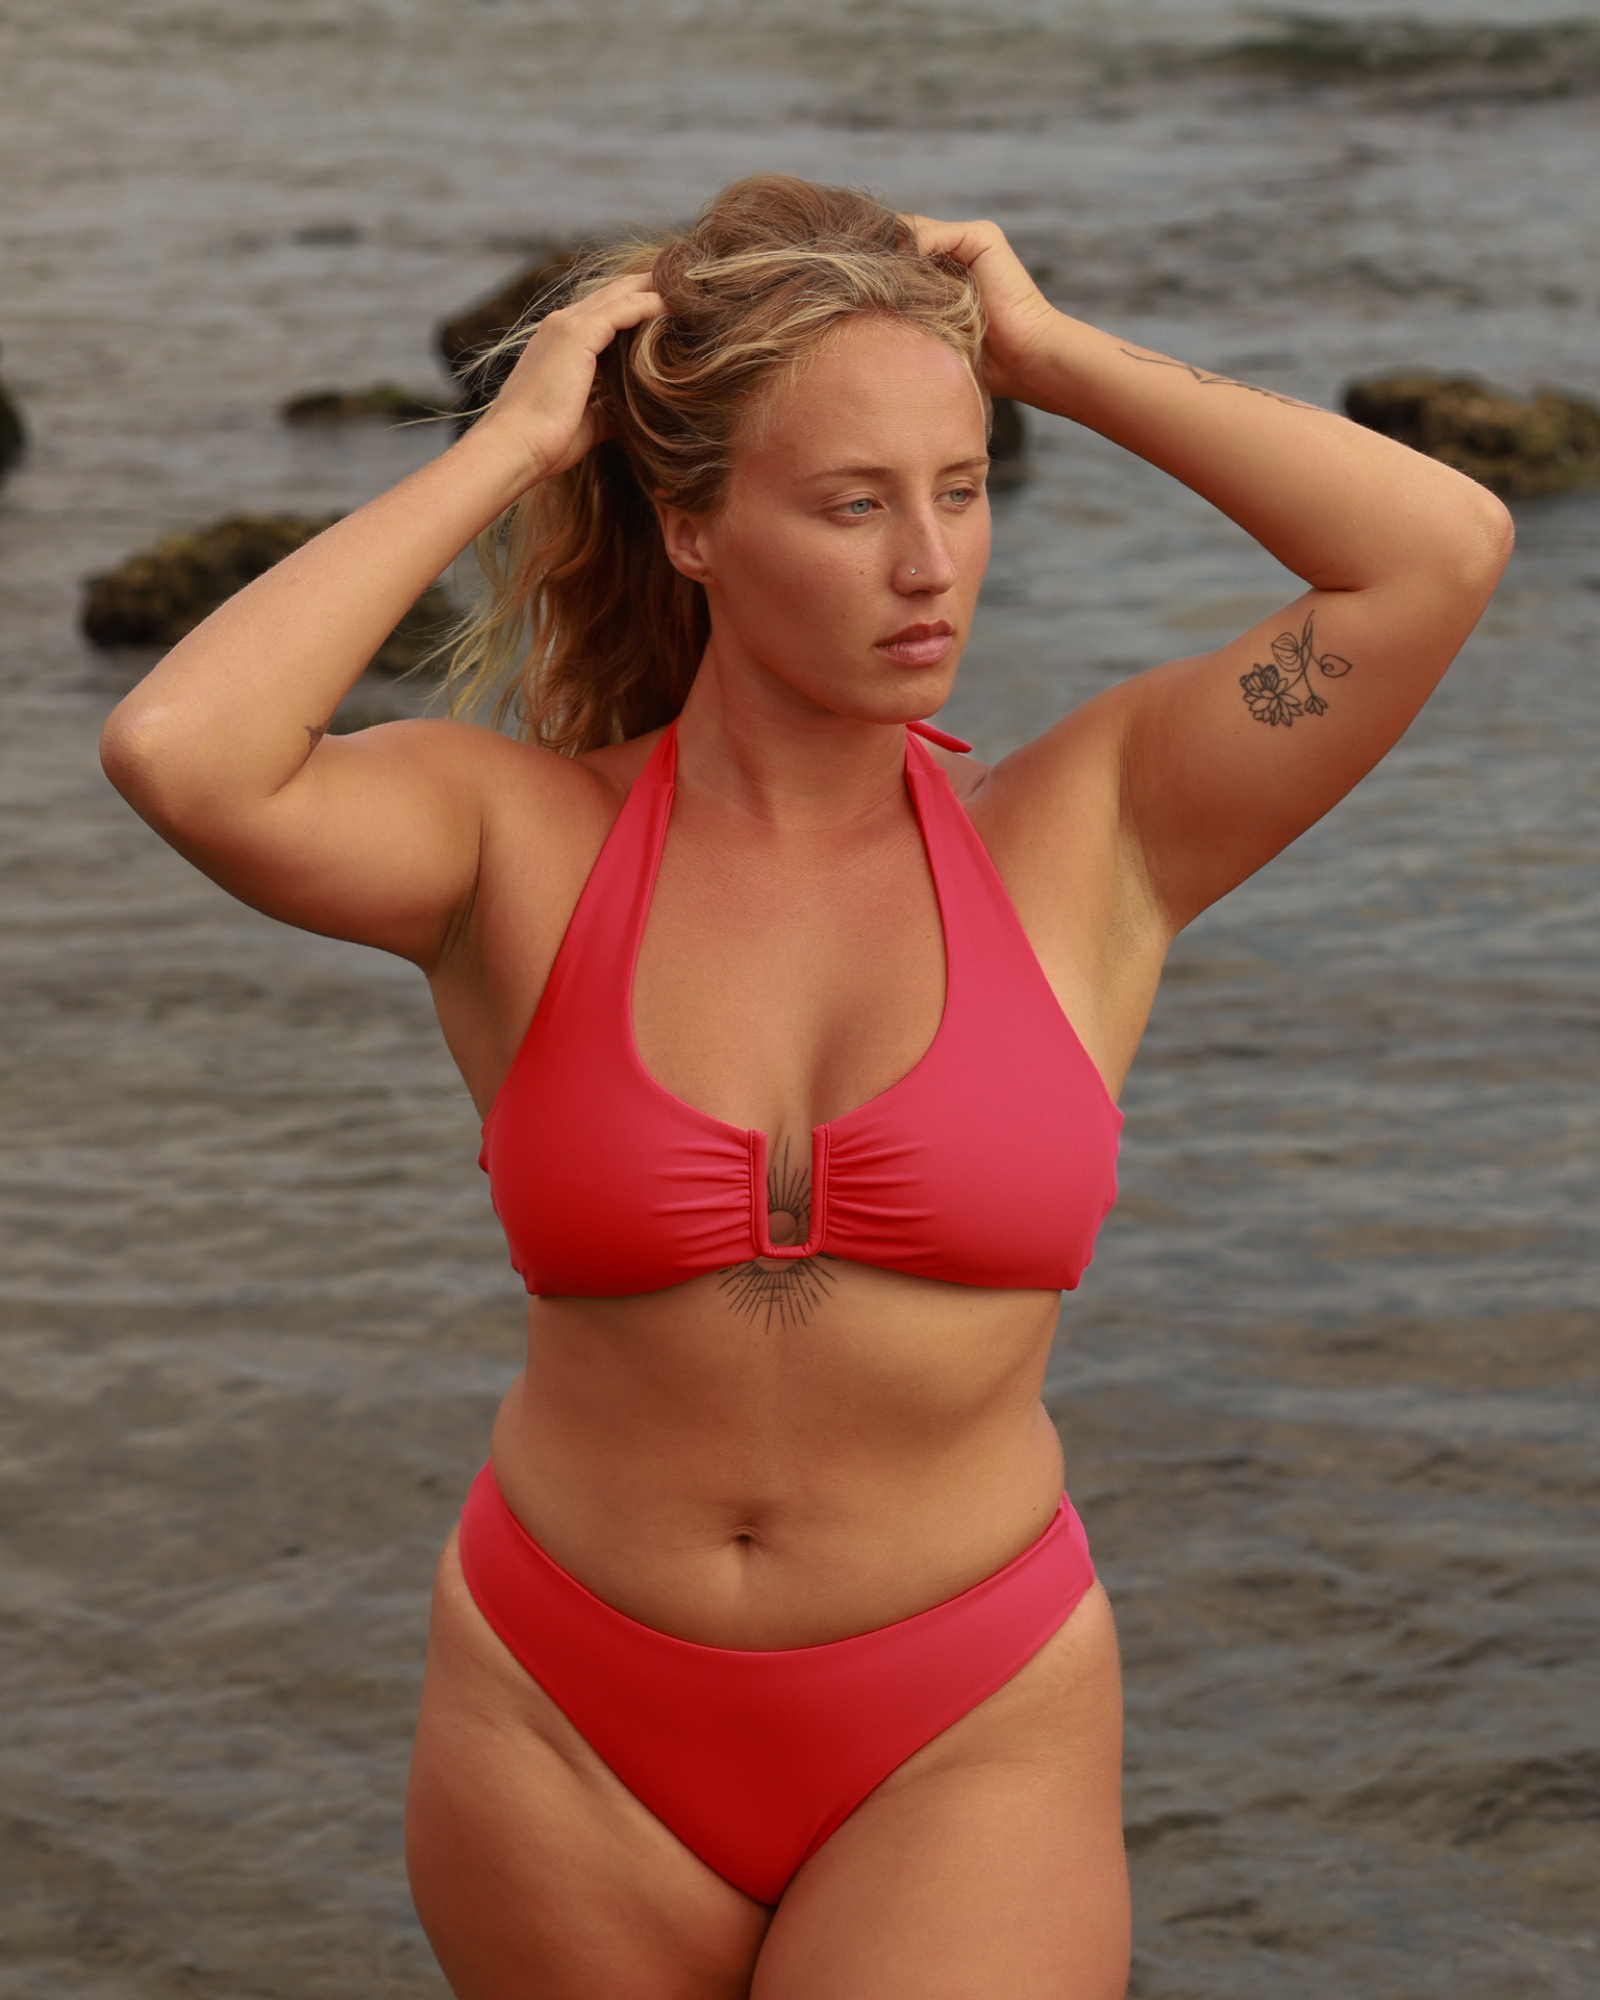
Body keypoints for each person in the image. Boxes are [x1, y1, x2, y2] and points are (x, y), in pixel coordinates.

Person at [100, 174, 1511, 1999]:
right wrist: (521, 440)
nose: (931, 567)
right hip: (562, 1718)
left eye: (963, 486)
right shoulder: (509, 844)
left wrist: (1058, 359)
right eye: (854, 506)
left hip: (961, 1721)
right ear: (690, 526)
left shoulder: (1094, 832)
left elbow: (1439, 551)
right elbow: (180, 750)